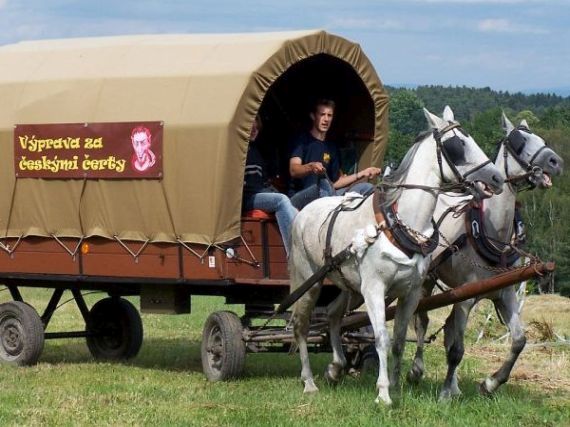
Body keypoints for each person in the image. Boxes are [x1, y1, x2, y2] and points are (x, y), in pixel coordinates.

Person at [288, 98, 381, 210]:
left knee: (367, 187)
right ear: (313, 116)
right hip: (301, 196)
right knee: (322, 187)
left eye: (329, 115)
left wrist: (362, 174)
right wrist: (311, 167)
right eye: (322, 115)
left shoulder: (331, 146)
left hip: (327, 194)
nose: (326, 119)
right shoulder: (302, 140)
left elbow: (335, 182)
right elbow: (294, 170)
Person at [243, 116, 298, 256]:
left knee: (292, 204)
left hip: (259, 192)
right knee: (281, 200)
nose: (254, 131)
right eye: (251, 128)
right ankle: (294, 254)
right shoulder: (239, 151)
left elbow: (263, 180)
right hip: (247, 197)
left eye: (256, 128)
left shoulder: (256, 150)